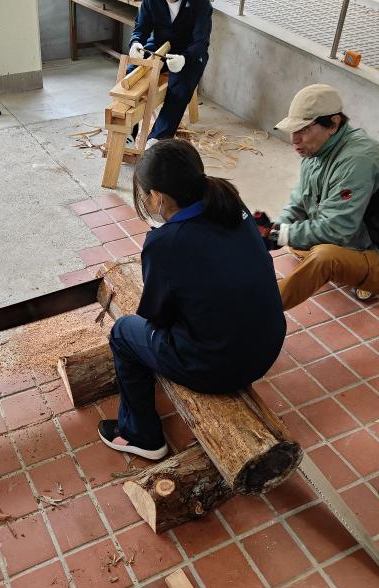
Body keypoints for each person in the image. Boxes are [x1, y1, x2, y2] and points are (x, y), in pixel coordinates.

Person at [98, 139, 286, 460]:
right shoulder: (231, 203)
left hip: (218, 367)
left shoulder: (165, 242)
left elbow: (157, 316)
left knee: (123, 333)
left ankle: (139, 434)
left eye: (145, 195)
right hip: (268, 346)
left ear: (158, 197)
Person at [260, 84, 379, 310]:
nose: (295, 139)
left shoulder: (358, 161)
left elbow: (335, 229)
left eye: (303, 129)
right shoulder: (315, 151)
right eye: (293, 130)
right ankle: (349, 268)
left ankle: (262, 309)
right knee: (293, 238)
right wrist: (272, 230)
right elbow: (299, 203)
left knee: (324, 257)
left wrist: (279, 234)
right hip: (353, 237)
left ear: (333, 124)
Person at [128, 0, 213, 145]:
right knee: (132, 75)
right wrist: (136, 42)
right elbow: (141, 28)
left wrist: (185, 58)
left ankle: (157, 139)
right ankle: (129, 133)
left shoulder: (200, 3)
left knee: (179, 89)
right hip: (160, 45)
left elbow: (201, 41)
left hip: (189, 52)